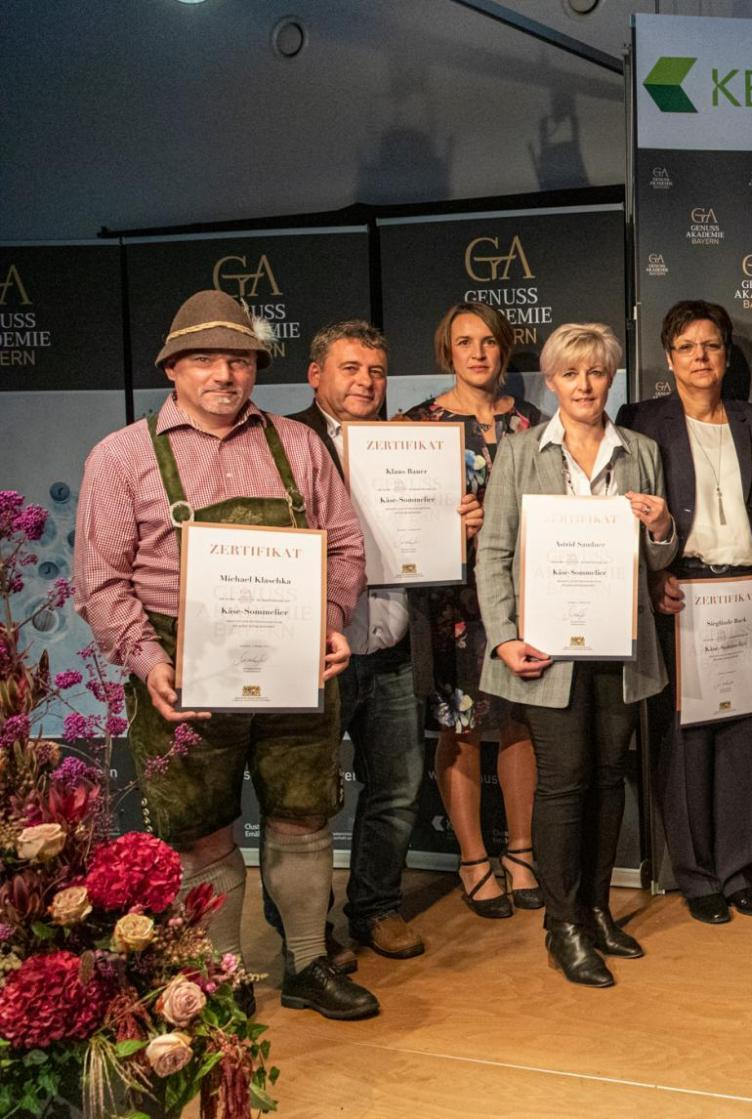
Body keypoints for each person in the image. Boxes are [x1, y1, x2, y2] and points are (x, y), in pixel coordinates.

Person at [75, 291, 378, 1019]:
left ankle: (307, 962)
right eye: (205, 359)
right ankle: (219, 975)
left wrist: (332, 618)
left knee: (303, 814)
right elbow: (101, 580)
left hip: (295, 660)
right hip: (181, 668)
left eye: (239, 359)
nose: (224, 374)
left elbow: (344, 545)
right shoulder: (122, 456)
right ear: (172, 368)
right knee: (200, 827)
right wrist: (148, 662)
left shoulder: (298, 445)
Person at [477, 323, 678, 987]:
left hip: (620, 645)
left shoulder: (641, 451)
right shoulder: (520, 452)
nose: (585, 385)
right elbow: (494, 551)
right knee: (564, 781)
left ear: (611, 378)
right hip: (546, 649)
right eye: (571, 374)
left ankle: (595, 908)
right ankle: (562, 923)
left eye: (596, 373)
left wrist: (661, 528)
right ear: (552, 381)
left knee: (609, 776)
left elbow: (658, 561)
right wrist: (504, 635)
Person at [285, 320, 460, 962]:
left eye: (377, 371)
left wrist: (454, 525)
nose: (366, 382)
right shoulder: (284, 443)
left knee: (397, 790)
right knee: (303, 802)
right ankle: (307, 934)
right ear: (316, 376)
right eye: (351, 368)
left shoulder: (407, 444)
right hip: (316, 655)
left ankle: (375, 908)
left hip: (392, 648)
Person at [615, 301, 752, 926]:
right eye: (687, 347)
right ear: (669, 357)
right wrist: (653, 575)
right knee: (684, 740)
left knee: (741, 735)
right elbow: (626, 510)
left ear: (726, 355)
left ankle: (737, 873)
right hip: (680, 589)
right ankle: (697, 877)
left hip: (746, 590)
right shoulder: (640, 421)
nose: (701, 357)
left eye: (711, 345)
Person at [402, 302, 544, 919]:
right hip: (453, 600)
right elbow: (398, 524)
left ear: (504, 348)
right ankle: (471, 858)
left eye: (488, 341)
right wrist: (448, 530)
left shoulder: (534, 423)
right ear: (448, 352)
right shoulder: (416, 426)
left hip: (524, 598)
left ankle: (522, 851)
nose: (478, 353)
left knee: (520, 722)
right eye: (465, 342)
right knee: (459, 726)